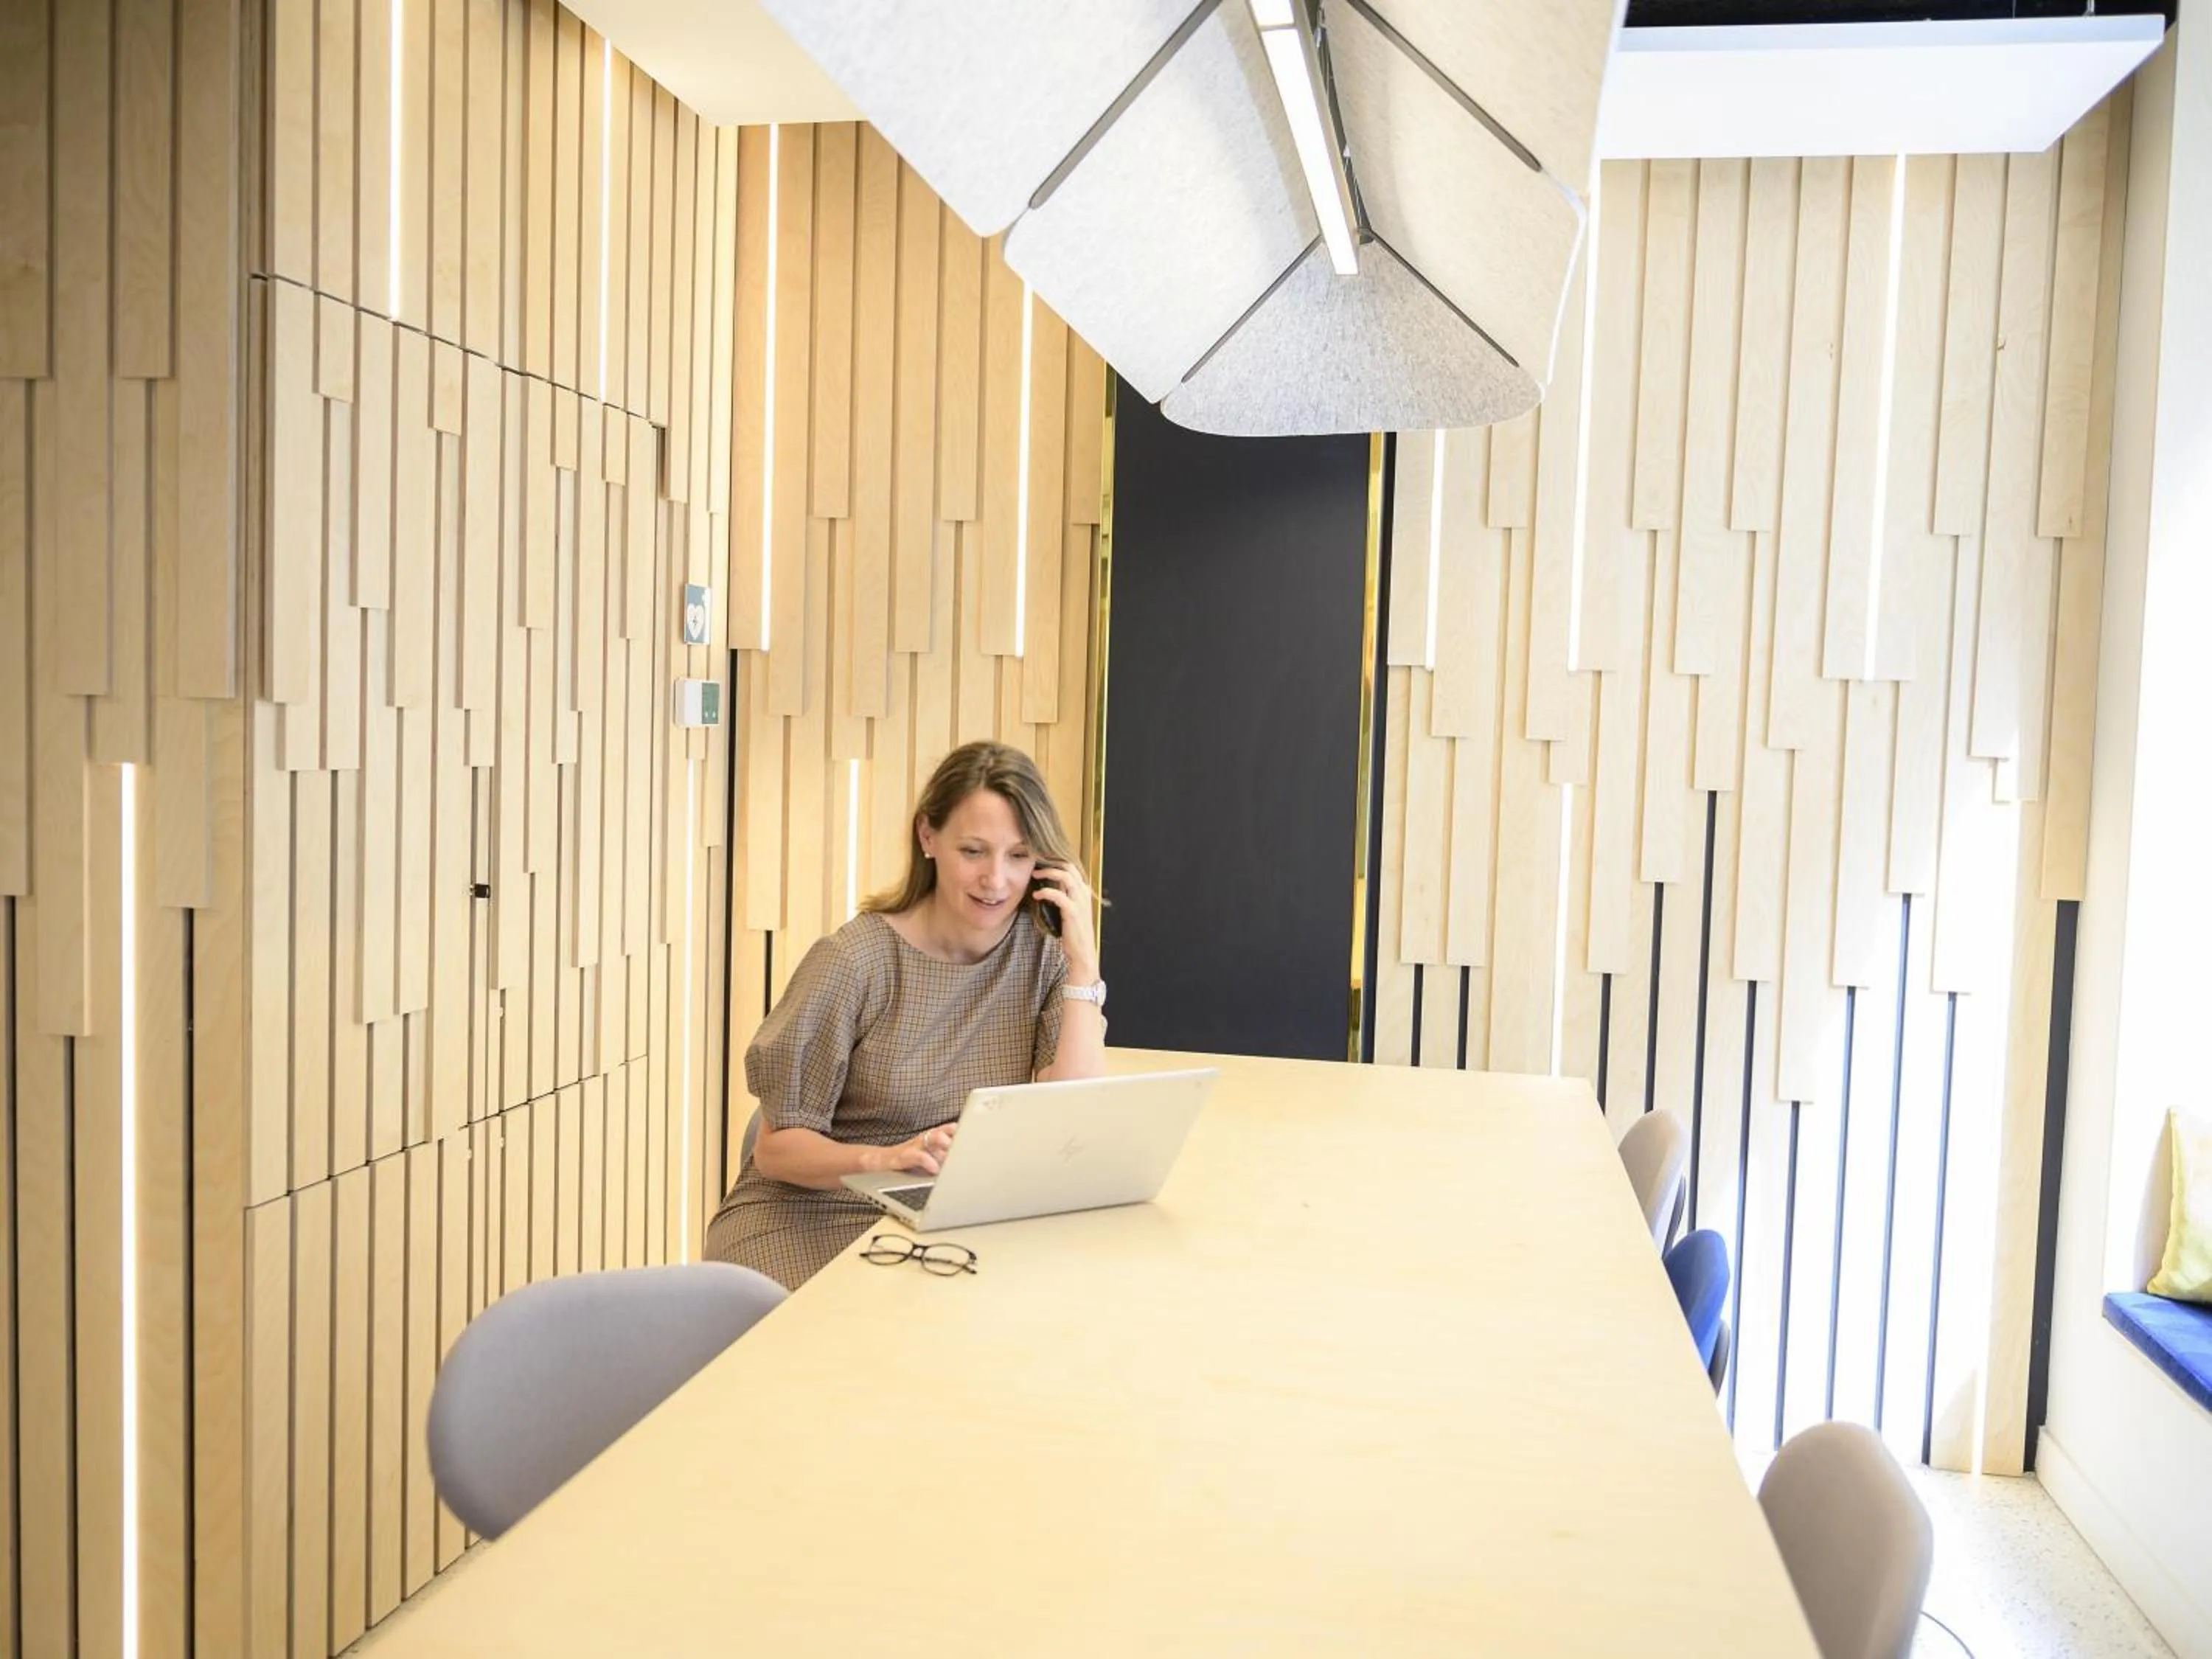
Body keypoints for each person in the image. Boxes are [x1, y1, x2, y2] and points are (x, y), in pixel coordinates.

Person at [703, 741, 1107, 1289]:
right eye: (974, 851)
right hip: (809, 1214)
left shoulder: (1041, 956)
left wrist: (1082, 965)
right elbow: (774, 1151)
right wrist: (887, 1158)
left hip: (946, 1219)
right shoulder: (854, 961)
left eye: (1019, 855)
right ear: (928, 837)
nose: (997, 879)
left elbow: (1071, 1123)